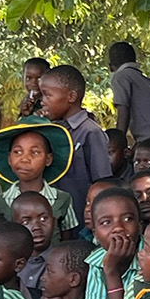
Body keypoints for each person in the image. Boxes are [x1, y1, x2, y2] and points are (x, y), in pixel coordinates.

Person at [37, 64, 113, 211]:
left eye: (48, 95)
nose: (42, 101)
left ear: (71, 97)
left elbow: (102, 181)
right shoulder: (53, 130)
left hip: (80, 213)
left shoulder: (90, 132)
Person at [107, 41, 150, 140]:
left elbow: (123, 111)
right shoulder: (144, 80)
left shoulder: (121, 76)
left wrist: (119, 139)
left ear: (111, 67)